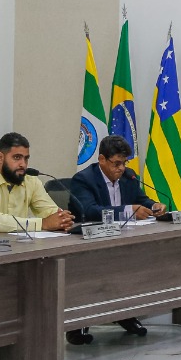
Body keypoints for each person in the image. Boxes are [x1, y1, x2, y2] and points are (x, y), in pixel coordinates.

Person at [64, 134, 165, 343]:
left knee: (132, 267)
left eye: (124, 163)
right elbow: (88, 211)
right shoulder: (83, 179)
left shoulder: (128, 176)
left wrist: (154, 205)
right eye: (116, 163)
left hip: (122, 240)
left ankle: (125, 314)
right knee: (96, 271)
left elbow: (141, 199)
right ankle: (79, 323)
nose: (121, 168)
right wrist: (128, 211)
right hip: (89, 243)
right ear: (101, 159)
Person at [0, 132, 75, 237]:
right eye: (17, 158)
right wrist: (43, 223)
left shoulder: (31, 181)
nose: (23, 164)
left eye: (26, 158)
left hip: (14, 249)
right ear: (0, 158)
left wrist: (62, 220)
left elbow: (51, 213)